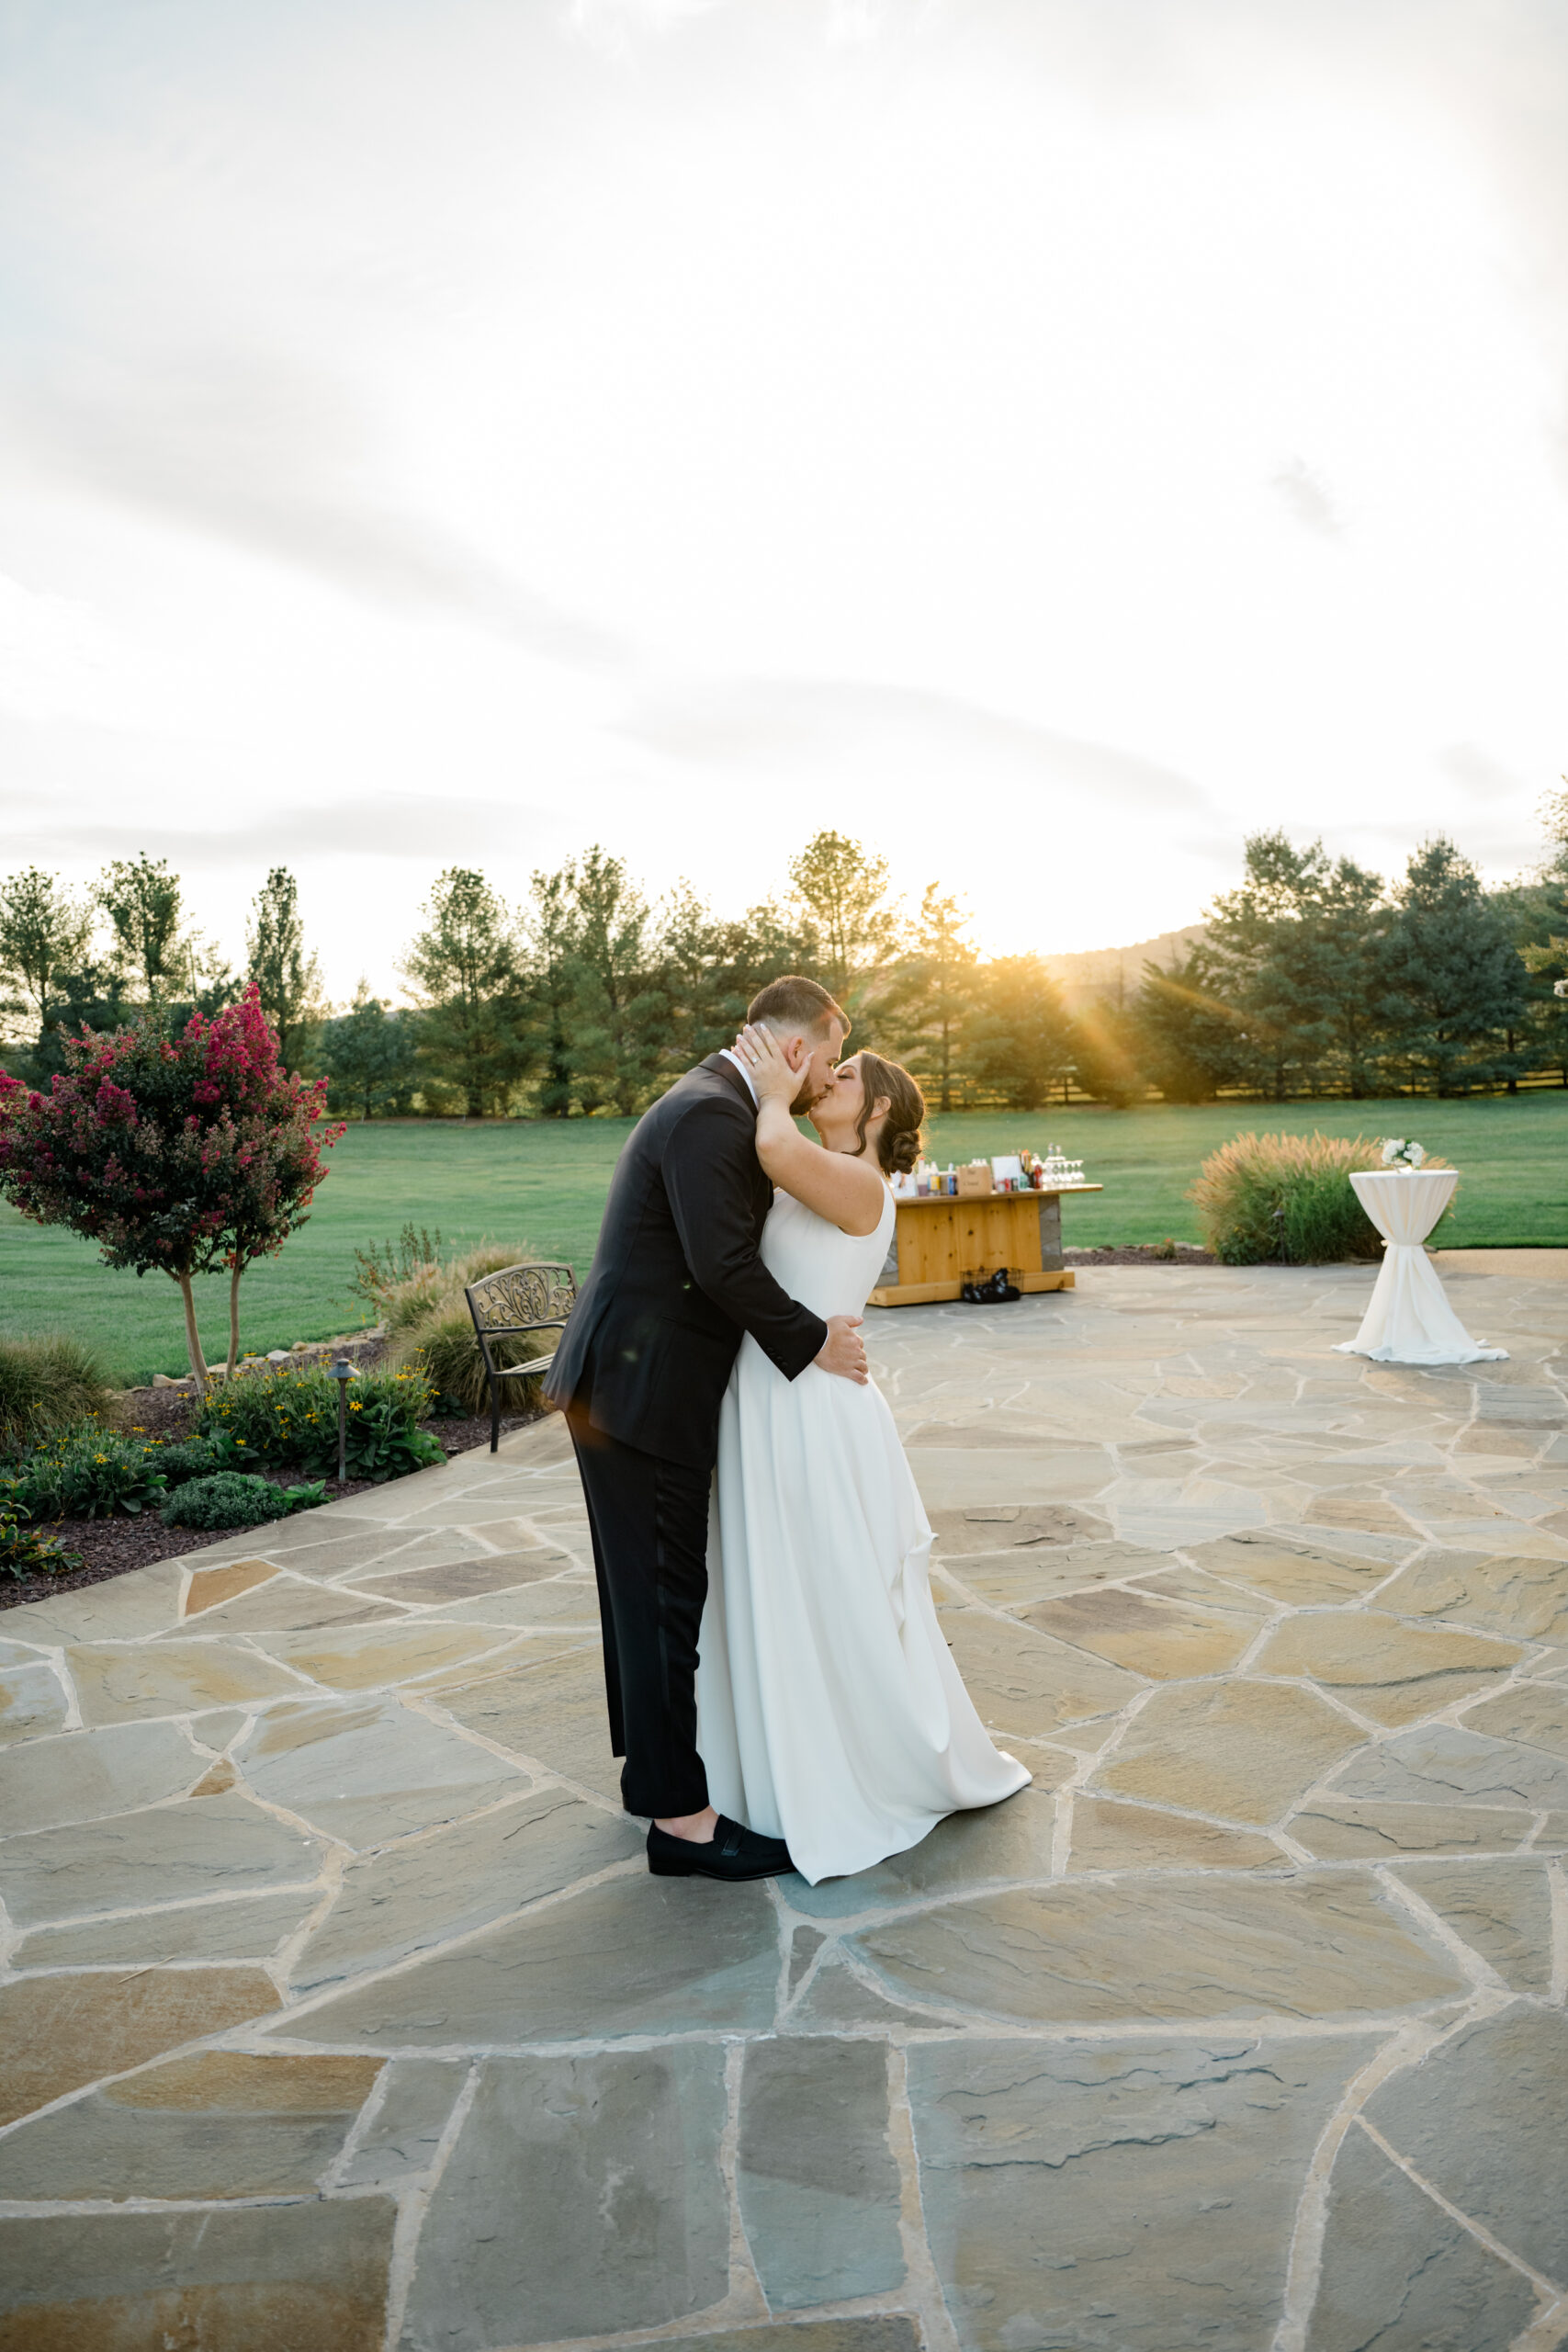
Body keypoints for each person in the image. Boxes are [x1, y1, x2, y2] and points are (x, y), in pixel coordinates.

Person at [544, 975, 869, 1883]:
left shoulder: (719, 1102)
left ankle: (654, 1778)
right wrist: (815, 1343)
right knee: (661, 1605)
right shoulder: (711, 1116)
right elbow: (720, 1264)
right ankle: (682, 1824)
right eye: (831, 1059)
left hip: (632, 1385)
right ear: (796, 1049)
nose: (827, 1078)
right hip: (643, 1394)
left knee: (646, 1599)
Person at [696, 1025, 1030, 1883]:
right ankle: (770, 1768)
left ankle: (855, 1766)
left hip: (810, 1410)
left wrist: (771, 1082)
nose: (822, 1081)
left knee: (823, 1588)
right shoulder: (822, 1163)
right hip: (777, 1390)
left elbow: (769, 1141)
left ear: (877, 1107)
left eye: (839, 1074)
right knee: (782, 1582)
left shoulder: (855, 1179)